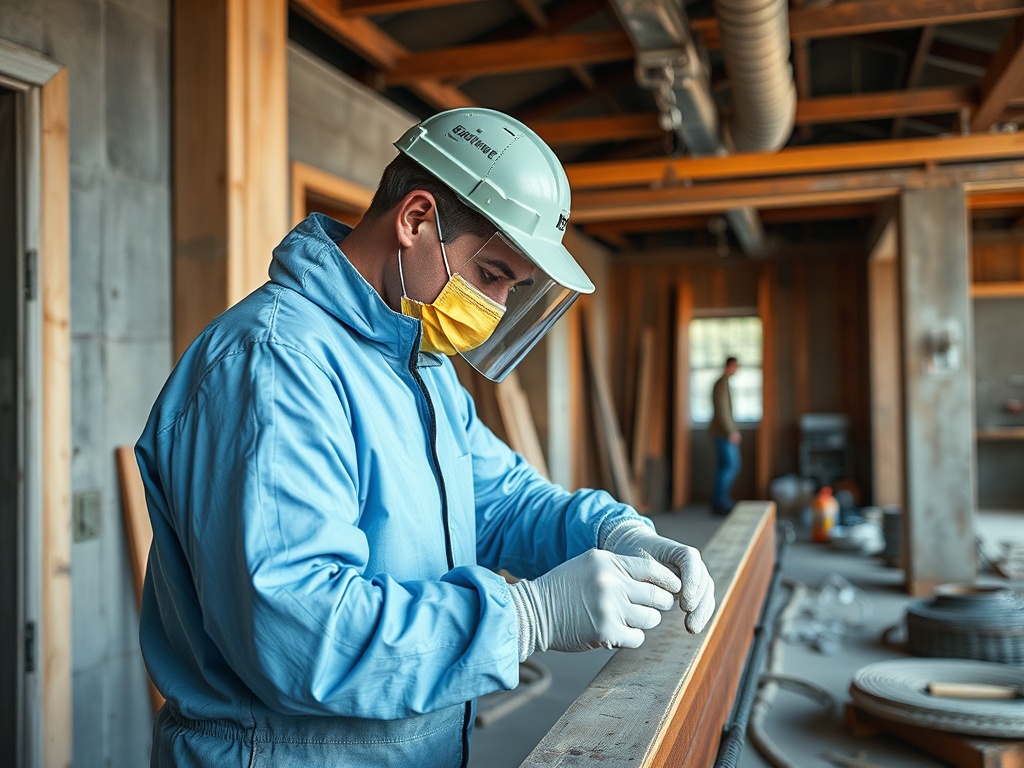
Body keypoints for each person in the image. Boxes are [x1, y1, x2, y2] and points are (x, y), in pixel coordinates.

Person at [136, 108, 715, 767]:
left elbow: (502, 500)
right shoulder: (273, 366)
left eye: (513, 288)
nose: (496, 307)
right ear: (415, 220)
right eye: (493, 274)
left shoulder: (418, 365)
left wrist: (619, 535)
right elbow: (299, 633)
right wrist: (526, 619)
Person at [710, 356, 741, 514]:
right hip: (723, 433)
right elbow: (723, 411)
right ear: (729, 366)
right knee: (731, 466)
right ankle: (720, 502)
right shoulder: (721, 384)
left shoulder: (724, 383)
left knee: (725, 467)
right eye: (735, 366)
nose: (737, 370)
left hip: (722, 432)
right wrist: (731, 431)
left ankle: (720, 501)